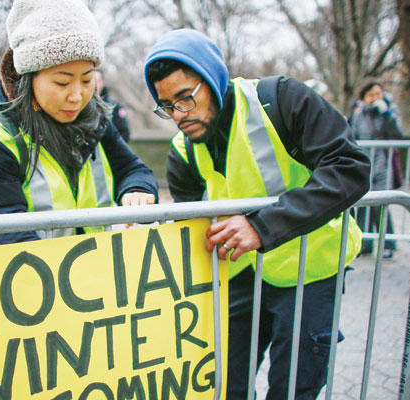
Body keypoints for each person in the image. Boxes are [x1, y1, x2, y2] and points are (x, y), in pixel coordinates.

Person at [143, 29, 370, 399]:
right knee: (223, 385)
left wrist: (261, 227)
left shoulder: (281, 99)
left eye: (185, 98)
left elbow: (350, 167)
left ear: (213, 80)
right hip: (240, 277)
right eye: (166, 105)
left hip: (309, 271)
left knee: (294, 387)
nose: (179, 114)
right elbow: (190, 228)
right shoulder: (182, 151)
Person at [0, 0, 158, 246]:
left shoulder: (97, 122)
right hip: (32, 277)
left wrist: (137, 190)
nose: (77, 97)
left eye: (87, 81)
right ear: (28, 79)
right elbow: (3, 227)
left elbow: (132, 169)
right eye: (62, 83)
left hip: (91, 275)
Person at [348, 81, 403, 258]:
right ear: (364, 97)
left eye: (378, 94)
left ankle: (388, 244)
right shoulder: (358, 115)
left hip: (382, 164)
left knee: (381, 203)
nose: (375, 98)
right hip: (363, 163)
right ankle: (364, 243)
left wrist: (386, 114)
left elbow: (397, 135)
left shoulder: (389, 112)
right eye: (371, 95)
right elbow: (351, 135)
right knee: (363, 204)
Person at [95, 69, 132, 142]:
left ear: (103, 82)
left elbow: (124, 133)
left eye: (97, 81)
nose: (95, 85)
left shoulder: (115, 107)